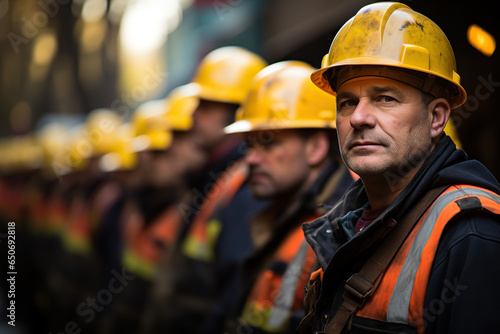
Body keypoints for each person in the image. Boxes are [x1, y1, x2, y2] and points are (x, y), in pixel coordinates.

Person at [298, 2, 500, 334]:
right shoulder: (349, 223)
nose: (359, 118)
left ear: (436, 118)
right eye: (348, 102)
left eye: (385, 98)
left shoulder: (472, 234)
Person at [215, 61, 353, 334]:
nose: (250, 158)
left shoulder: (337, 233)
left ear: (315, 148)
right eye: (250, 143)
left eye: (268, 142)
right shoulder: (288, 214)